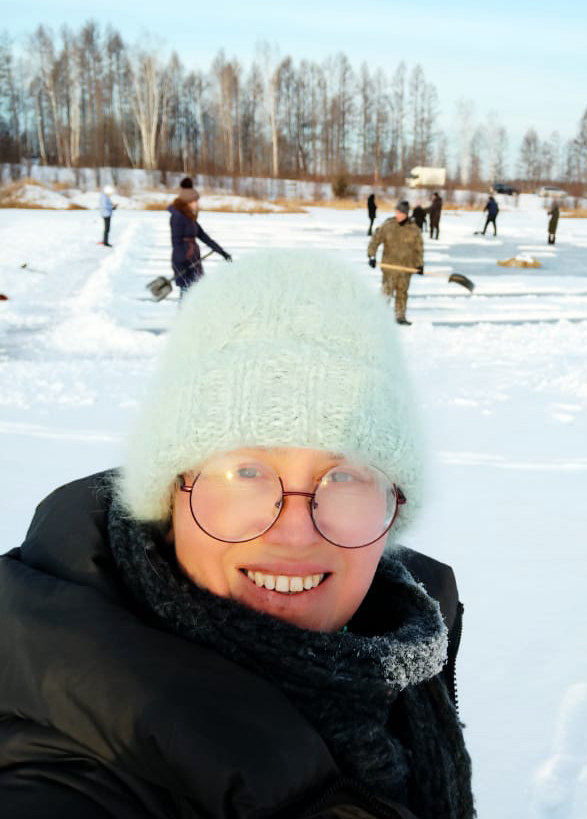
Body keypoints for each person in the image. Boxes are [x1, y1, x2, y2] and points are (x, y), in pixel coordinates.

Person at [0, 250, 474, 819]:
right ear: (170, 493)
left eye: (344, 475)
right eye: (246, 472)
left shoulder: (403, 648)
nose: (296, 534)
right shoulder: (71, 771)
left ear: (394, 505)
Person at [168, 180, 232, 295]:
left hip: (193, 260)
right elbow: (176, 243)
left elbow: (204, 237)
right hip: (184, 261)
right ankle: (184, 313)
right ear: (187, 202)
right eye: (194, 201)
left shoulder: (190, 219)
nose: (197, 204)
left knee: (196, 292)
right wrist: (182, 263)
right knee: (186, 292)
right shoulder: (178, 217)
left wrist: (222, 252)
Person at [368, 200, 424, 326]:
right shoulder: (388, 226)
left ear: (405, 213)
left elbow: (419, 248)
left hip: (406, 269)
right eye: (396, 211)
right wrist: (372, 256)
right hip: (390, 268)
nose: (397, 214)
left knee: (402, 293)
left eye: (399, 212)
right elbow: (375, 240)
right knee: (386, 292)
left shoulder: (413, 229)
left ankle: (400, 317)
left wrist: (419, 264)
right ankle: (379, 316)